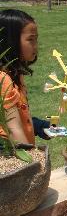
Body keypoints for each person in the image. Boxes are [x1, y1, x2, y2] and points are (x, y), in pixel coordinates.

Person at [0, 9, 50, 145]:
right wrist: (31, 163)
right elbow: (13, 129)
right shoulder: (3, 80)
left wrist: (38, 126)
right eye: (30, 40)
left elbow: (18, 118)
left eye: (36, 39)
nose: (36, 45)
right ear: (10, 42)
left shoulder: (16, 75)